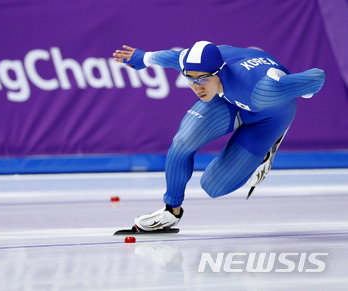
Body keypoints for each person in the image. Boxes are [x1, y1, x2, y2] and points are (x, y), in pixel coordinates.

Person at [112, 41, 325, 231]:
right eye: (190, 79)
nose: (197, 87)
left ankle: (269, 147)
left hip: (269, 118)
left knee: (214, 186)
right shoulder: (195, 62)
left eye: (203, 80)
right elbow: (170, 57)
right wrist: (143, 58)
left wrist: (302, 89)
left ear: (218, 71)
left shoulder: (262, 90)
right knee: (183, 142)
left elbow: (317, 76)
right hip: (229, 98)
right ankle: (171, 211)